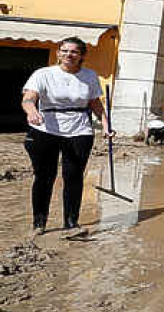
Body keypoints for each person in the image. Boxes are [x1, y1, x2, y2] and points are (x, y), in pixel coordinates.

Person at [21, 37, 112, 234]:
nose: (68, 55)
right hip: (46, 129)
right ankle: (39, 222)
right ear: (58, 53)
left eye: (74, 52)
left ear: (81, 56)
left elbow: (94, 103)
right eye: (64, 51)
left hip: (79, 130)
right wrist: (31, 111)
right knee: (44, 177)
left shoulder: (89, 76)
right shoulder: (43, 74)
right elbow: (28, 99)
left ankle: (71, 223)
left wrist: (105, 125)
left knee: (74, 177)